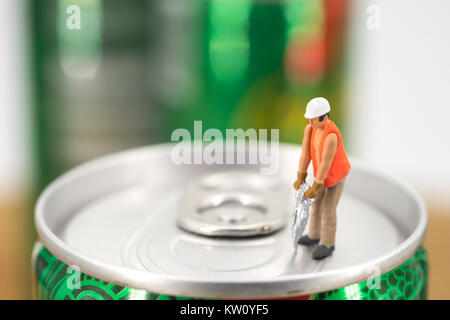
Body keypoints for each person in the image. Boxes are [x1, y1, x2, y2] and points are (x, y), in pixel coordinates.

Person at [293, 97, 351, 260]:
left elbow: (326, 164)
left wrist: (316, 187)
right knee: (316, 204)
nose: (311, 123)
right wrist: (301, 175)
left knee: (328, 208)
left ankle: (328, 243)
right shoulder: (310, 130)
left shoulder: (331, 136)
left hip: (335, 177)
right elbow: (306, 154)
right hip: (321, 177)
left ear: (324, 117)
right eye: (309, 120)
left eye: (313, 120)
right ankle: (314, 235)